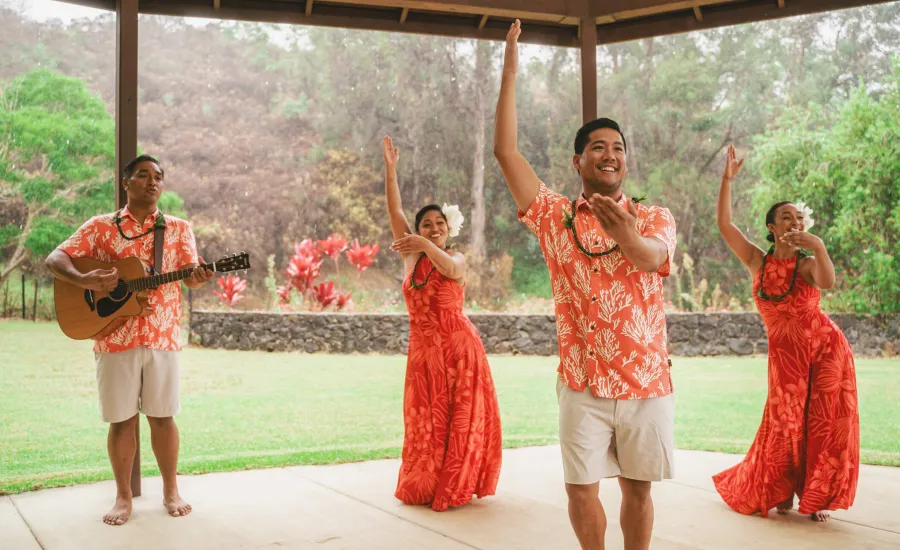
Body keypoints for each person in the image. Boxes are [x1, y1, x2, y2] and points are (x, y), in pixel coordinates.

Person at [493, 20, 677, 550]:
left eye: (617, 147)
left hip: (644, 380)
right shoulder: (554, 216)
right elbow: (507, 154)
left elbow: (651, 257)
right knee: (579, 491)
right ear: (579, 160)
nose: (610, 155)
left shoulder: (653, 215)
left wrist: (626, 234)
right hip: (582, 381)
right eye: (597, 147)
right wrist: (509, 71)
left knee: (639, 491)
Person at [45, 155, 214, 526]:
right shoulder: (100, 227)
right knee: (121, 421)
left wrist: (198, 277)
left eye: (158, 177)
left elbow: (190, 274)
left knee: (163, 418)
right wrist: (85, 280)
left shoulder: (179, 228)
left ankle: (171, 491)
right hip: (113, 335)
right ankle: (123, 498)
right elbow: (55, 258)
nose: (152, 182)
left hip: (163, 334)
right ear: (126, 183)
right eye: (143, 175)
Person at [712, 145, 860, 522]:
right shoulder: (756, 261)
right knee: (785, 422)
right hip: (786, 359)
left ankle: (816, 498)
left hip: (825, 351)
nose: (794, 222)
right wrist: (727, 179)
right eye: (785, 216)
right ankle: (780, 489)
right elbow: (725, 226)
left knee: (822, 423)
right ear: (772, 227)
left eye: (799, 218)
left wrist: (821, 248)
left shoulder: (809, 264)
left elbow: (826, 282)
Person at [382, 135, 503, 512]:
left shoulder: (456, 258)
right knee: (423, 421)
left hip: (458, 350)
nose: (433, 228)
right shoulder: (411, 258)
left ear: (448, 230)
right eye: (425, 224)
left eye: (439, 224)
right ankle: (424, 483)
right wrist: (390, 171)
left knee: (455, 420)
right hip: (422, 352)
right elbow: (395, 210)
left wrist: (424, 242)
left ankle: (455, 482)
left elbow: (448, 268)